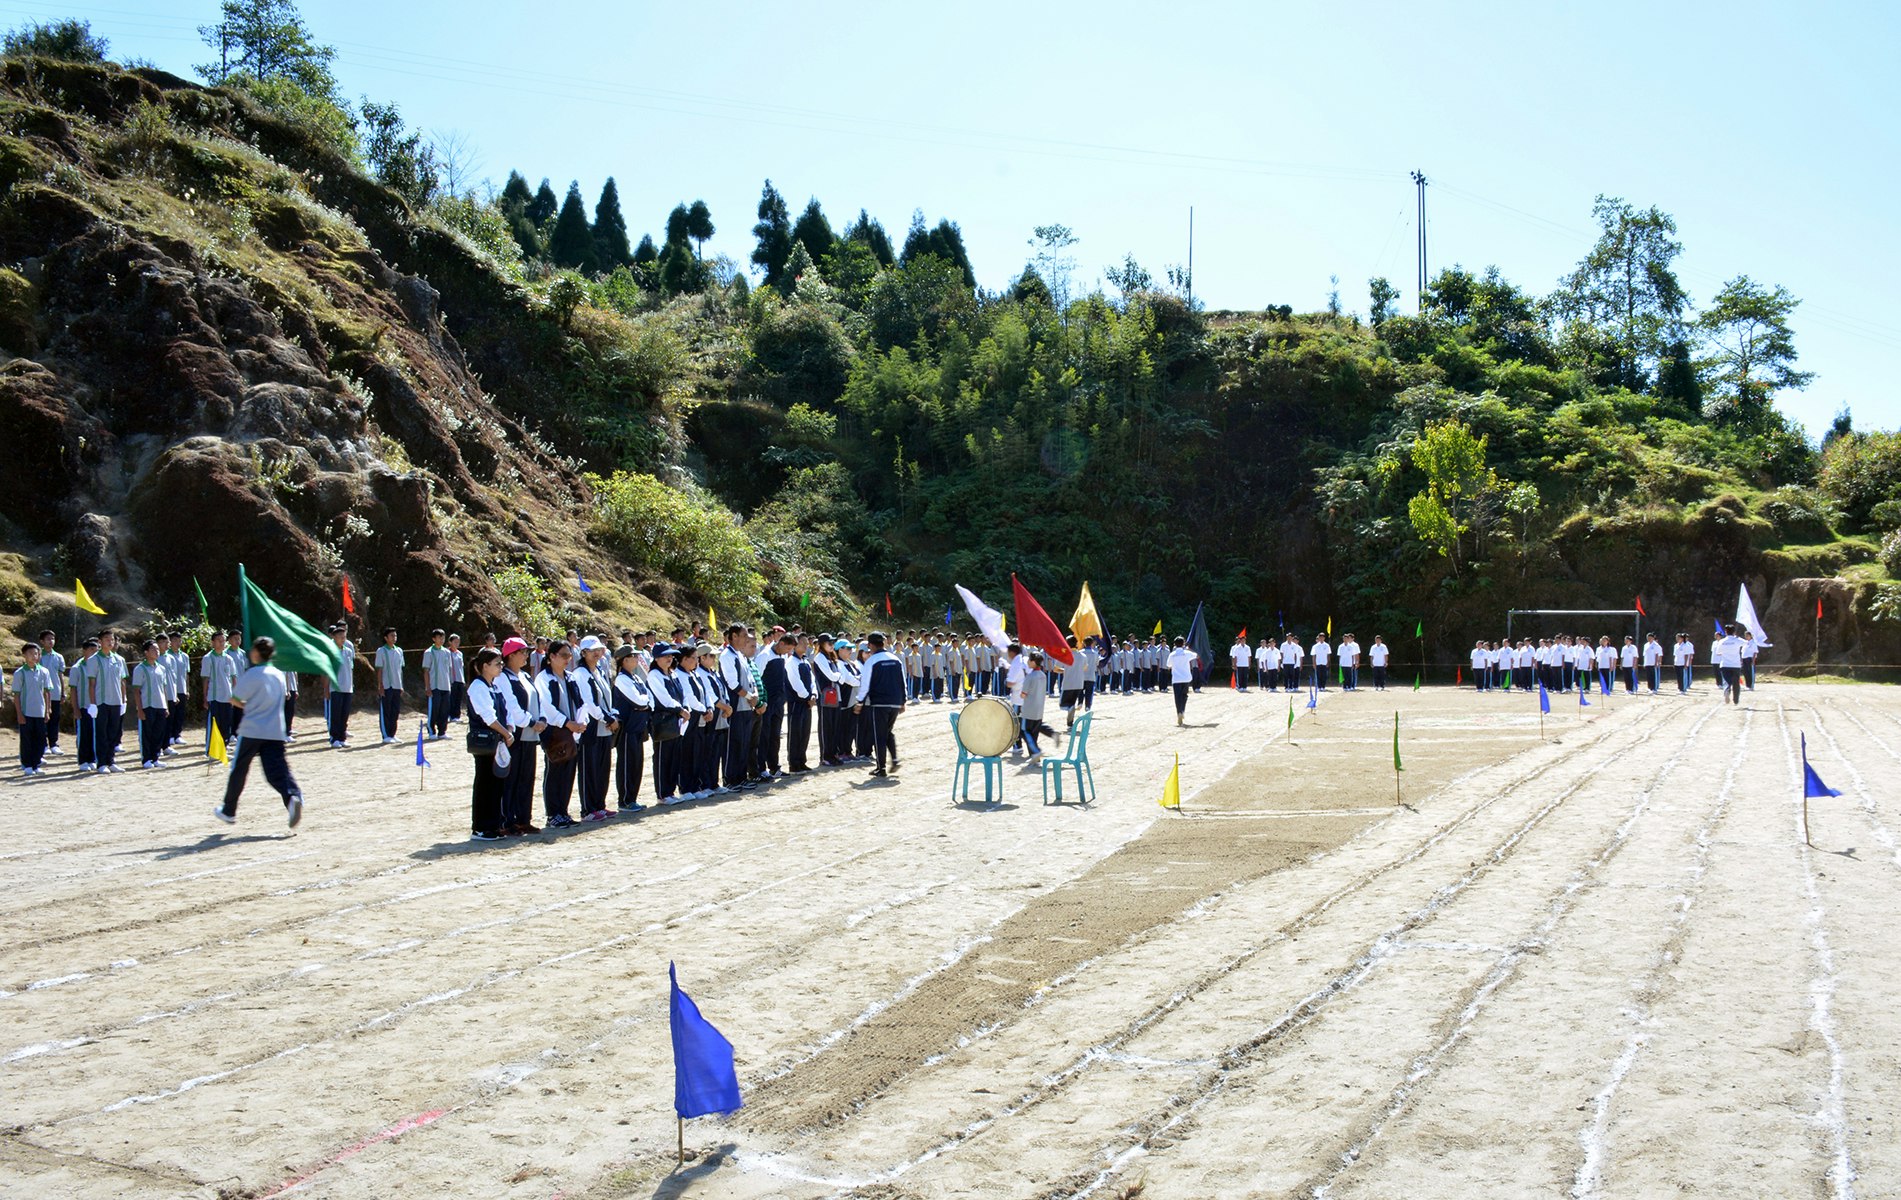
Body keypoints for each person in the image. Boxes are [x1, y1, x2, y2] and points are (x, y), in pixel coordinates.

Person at [215, 637, 304, 828]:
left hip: (252, 729)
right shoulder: (278, 674)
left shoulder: (252, 674)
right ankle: (292, 797)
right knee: (277, 771)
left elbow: (235, 698)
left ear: (256, 653)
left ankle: (229, 810)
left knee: (239, 769)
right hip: (275, 729)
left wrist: (249, 705)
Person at [462, 647, 514, 840]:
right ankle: (480, 827)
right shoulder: (478, 687)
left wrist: (509, 729)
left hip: (498, 740)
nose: (501, 666)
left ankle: (493, 824)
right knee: (485, 783)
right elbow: (488, 717)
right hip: (486, 742)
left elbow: (505, 710)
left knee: (496, 783)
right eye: (497, 664)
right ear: (485, 666)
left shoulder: (494, 685)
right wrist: (505, 733)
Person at [536, 640, 587, 827]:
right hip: (554, 732)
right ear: (552, 657)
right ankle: (552, 814)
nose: (568, 659)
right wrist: (566, 723)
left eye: (570, 655)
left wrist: (582, 722)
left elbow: (580, 703)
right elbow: (546, 707)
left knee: (568, 772)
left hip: (572, 732)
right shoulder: (544, 679)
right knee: (554, 771)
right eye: (564, 655)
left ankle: (563, 812)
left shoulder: (570, 677)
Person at [498, 637, 542, 834]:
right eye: (523, 652)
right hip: (515, 735)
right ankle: (508, 820)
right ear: (511, 655)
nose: (526, 655)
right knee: (511, 780)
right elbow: (512, 707)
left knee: (527, 778)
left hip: (530, 736)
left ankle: (523, 818)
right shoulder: (503, 677)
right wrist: (532, 722)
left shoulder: (524, 676)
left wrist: (540, 719)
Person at [573, 636, 616, 821]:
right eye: (592, 650)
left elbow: (607, 697)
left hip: (604, 727)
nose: (597, 653)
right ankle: (588, 809)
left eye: (599, 649)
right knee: (589, 768)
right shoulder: (581, 674)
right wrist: (606, 717)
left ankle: (600, 805)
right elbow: (588, 703)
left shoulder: (598, 670)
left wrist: (612, 715)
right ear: (583, 653)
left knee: (602, 767)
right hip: (591, 728)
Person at [856, 631, 906, 777]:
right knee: (888, 731)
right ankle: (895, 759)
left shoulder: (872, 661)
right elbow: (902, 680)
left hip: (879, 703)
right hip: (895, 702)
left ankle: (881, 767)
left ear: (870, 645)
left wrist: (859, 701)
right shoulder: (895, 659)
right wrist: (903, 700)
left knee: (879, 734)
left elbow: (865, 684)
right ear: (883, 643)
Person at [610, 644, 654, 810]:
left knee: (637, 764)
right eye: (633, 657)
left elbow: (647, 698)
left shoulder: (634, 678)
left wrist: (644, 703)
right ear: (624, 660)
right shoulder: (622, 679)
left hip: (637, 727)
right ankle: (625, 800)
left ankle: (632, 798)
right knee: (627, 764)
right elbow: (639, 701)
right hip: (627, 729)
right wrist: (644, 703)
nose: (636, 659)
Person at [647, 642, 687, 803]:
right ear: (656, 658)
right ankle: (662, 794)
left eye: (670, 655)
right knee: (663, 757)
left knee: (674, 757)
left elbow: (681, 693)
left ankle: (670, 791)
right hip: (662, 721)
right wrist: (681, 709)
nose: (669, 658)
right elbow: (663, 698)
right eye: (665, 656)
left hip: (676, 719)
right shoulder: (654, 675)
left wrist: (684, 708)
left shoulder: (672, 673)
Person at [718, 625, 758, 788]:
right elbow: (732, 683)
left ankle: (741, 777)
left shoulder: (740, 656)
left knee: (743, 743)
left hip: (746, 706)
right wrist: (749, 696)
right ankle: (730, 779)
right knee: (733, 743)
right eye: (743, 636)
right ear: (734, 636)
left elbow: (750, 679)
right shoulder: (727, 656)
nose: (746, 639)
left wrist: (754, 696)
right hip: (736, 705)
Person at [12, 641, 53, 775]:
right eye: (30, 653)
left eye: (36, 653)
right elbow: (17, 695)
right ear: (24, 655)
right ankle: (27, 764)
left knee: (40, 739)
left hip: (40, 712)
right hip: (26, 711)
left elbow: (47, 692)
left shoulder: (44, 671)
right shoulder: (20, 673)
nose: (34, 656)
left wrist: (47, 710)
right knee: (27, 740)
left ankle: (36, 764)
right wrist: (19, 713)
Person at [130, 639, 169, 769]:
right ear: (146, 652)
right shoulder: (140, 669)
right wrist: (139, 709)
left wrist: (166, 706)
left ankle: (155, 757)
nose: (157, 651)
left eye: (158, 649)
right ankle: (146, 759)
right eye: (153, 649)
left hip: (160, 705)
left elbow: (163, 688)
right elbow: (136, 690)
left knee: (158, 733)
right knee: (147, 734)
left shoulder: (161, 668)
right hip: (147, 705)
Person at [92, 631, 127, 772]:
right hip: (101, 701)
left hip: (116, 701)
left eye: (112, 639)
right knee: (102, 733)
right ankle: (101, 763)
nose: (110, 642)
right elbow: (91, 684)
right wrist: (93, 704)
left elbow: (122, 681)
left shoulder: (119, 659)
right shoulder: (94, 660)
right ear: (100, 641)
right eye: (106, 639)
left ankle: (111, 761)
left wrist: (123, 700)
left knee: (114, 732)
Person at [201, 628, 238, 746]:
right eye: (218, 641)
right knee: (214, 724)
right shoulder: (208, 658)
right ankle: (211, 749)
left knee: (226, 723)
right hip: (214, 697)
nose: (222, 643)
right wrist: (205, 698)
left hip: (227, 697)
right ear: (212, 643)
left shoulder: (229, 659)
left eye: (223, 641)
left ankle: (224, 747)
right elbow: (205, 679)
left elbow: (233, 678)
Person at [785, 635, 815, 772]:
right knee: (795, 732)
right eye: (802, 643)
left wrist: (813, 694)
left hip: (807, 702)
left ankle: (802, 760)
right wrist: (808, 696)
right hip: (797, 702)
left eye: (805, 642)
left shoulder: (805, 661)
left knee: (805, 732)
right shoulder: (791, 662)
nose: (805, 645)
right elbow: (796, 683)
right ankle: (793, 763)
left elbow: (812, 680)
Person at [1018, 649, 1056, 758]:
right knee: (1034, 733)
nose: (1028, 662)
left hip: (1028, 710)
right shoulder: (1043, 675)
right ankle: (1034, 756)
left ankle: (1035, 752)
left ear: (1034, 662)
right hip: (1039, 710)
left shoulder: (1030, 677)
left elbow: (1023, 695)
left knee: (1024, 731)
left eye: (1029, 660)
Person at [68, 637, 98, 771]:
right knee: (83, 734)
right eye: (92, 650)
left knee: (95, 733)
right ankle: (83, 760)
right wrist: (76, 708)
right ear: (84, 651)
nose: (94, 653)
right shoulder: (77, 668)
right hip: (84, 705)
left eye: (96, 650)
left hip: (96, 706)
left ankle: (93, 758)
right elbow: (73, 690)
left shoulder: (98, 665)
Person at [326, 623, 356, 748]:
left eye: (344, 636)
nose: (343, 639)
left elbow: (351, 669)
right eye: (340, 636)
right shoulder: (330, 652)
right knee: (336, 714)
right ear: (334, 637)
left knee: (344, 714)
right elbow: (327, 671)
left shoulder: (348, 651)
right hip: (335, 688)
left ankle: (342, 737)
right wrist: (326, 688)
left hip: (347, 687)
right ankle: (334, 738)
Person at [35, 630, 64, 758]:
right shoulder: (38, 656)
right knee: (43, 719)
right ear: (42, 641)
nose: (51, 641)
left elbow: (60, 675)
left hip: (55, 692)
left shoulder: (58, 657)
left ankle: (54, 744)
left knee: (54, 719)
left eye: (53, 638)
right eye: (48, 639)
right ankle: (43, 744)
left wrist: (63, 692)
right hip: (41, 693)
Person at [422, 629, 454, 739]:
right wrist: (427, 687)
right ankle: (431, 731)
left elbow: (448, 669)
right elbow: (426, 671)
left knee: (444, 710)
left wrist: (450, 683)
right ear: (433, 639)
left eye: (443, 638)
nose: (441, 640)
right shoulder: (428, 652)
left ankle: (442, 732)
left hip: (445, 686)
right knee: (434, 709)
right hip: (434, 686)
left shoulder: (447, 652)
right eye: (439, 637)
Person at [374, 627, 404, 744]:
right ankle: (386, 735)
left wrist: (401, 684)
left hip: (396, 685)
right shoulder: (381, 651)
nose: (394, 638)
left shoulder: (399, 651)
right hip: (386, 685)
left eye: (395, 636)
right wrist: (380, 685)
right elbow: (380, 669)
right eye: (392, 636)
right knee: (386, 710)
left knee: (395, 711)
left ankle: (393, 733)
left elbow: (400, 669)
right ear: (386, 638)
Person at [1167, 635, 1199, 726]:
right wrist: (1189, 649)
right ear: (1183, 644)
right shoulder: (1187, 653)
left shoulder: (1172, 654)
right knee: (1184, 696)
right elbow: (1197, 656)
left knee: (1177, 697)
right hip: (1186, 678)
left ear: (1174, 644)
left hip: (1176, 679)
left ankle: (1179, 712)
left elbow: (1168, 665)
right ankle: (1182, 711)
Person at [1714, 624, 1745, 705]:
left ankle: (1727, 691)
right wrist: (1738, 637)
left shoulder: (1722, 641)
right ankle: (1736, 699)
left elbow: (1718, 652)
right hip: (1735, 665)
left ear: (1725, 632)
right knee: (1736, 683)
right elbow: (1746, 643)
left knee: (1726, 681)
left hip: (1725, 664)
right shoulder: (1737, 640)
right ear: (1734, 632)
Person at [446, 633, 467, 723]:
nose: (457, 643)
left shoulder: (460, 653)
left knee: (458, 698)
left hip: (460, 679)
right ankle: (450, 715)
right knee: (452, 698)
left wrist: (463, 679)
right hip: (452, 679)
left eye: (458, 642)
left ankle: (457, 715)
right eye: (455, 642)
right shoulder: (447, 652)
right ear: (450, 642)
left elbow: (461, 667)